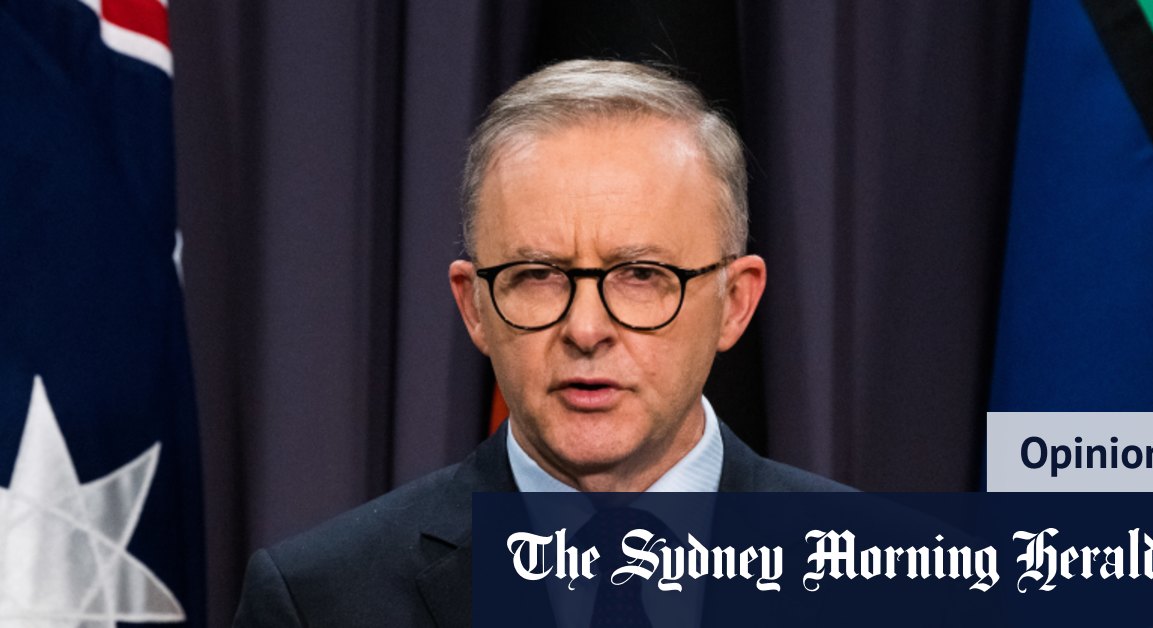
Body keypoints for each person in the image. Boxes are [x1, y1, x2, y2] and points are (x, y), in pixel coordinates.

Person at [232, 59, 850, 628]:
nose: (585, 329)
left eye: (640, 275)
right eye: (537, 276)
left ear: (735, 302)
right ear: (474, 306)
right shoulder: (318, 602)